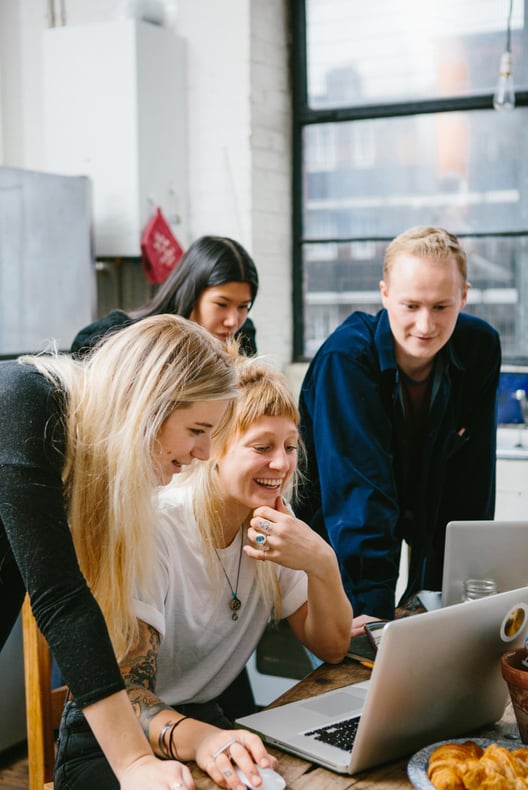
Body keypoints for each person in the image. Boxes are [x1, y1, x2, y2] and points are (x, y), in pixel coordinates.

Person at [55, 356, 353, 789]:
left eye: (290, 446)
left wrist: (322, 564)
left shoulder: (275, 526)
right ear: (215, 447)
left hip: (201, 720)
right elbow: (127, 693)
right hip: (111, 742)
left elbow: (332, 647)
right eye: (262, 446)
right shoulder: (159, 528)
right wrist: (204, 740)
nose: (281, 464)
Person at [0, 314, 242, 790]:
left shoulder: (91, 461)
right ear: (149, 403)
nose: (204, 451)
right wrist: (134, 763)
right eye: (197, 428)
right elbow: (61, 600)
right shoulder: (28, 402)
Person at [296, 226, 501, 628]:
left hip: (418, 511)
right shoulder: (347, 359)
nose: (425, 325)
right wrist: (372, 620)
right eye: (410, 306)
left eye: (441, 307)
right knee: (359, 668)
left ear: (464, 296)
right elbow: (361, 503)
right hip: (337, 542)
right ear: (385, 294)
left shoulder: (479, 347)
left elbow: (472, 484)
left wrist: (459, 595)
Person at [71, 235, 259, 357]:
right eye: (222, 304)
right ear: (192, 293)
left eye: (243, 307)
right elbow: (82, 346)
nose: (233, 322)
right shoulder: (135, 332)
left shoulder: (241, 338)